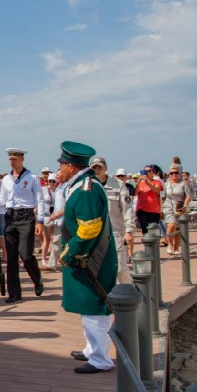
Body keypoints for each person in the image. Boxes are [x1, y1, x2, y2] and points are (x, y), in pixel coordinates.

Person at [56, 142, 118, 374]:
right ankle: (92, 349)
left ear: (71, 167)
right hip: (86, 257)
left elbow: (89, 228)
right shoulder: (82, 185)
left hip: (92, 259)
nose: (58, 170)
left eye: (61, 165)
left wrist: (71, 252)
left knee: (94, 307)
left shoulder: (86, 190)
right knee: (87, 306)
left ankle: (100, 359)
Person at [0, 147, 44, 303]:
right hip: (10, 217)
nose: (12, 161)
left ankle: (36, 279)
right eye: (10, 159)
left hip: (26, 216)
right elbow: (2, 200)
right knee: (11, 258)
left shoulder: (32, 177)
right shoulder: (6, 179)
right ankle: (14, 293)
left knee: (26, 254)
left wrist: (40, 221)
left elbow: (40, 199)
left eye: (15, 159)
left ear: (22, 159)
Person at [96, 159, 132, 283]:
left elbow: (128, 209)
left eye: (100, 167)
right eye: (94, 168)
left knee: (120, 269)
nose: (97, 170)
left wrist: (129, 231)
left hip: (115, 233)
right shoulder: (89, 185)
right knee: (100, 270)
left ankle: (131, 295)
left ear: (105, 168)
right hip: (96, 235)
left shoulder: (118, 185)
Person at [161, 165, 188, 256]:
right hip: (168, 206)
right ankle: (169, 244)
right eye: (171, 173)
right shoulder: (166, 184)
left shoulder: (183, 183)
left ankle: (176, 247)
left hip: (179, 206)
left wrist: (185, 205)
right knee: (171, 225)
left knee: (177, 228)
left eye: (176, 173)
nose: (173, 175)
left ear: (179, 173)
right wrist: (161, 209)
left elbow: (188, 196)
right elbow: (162, 197)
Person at [134, 165, 163, 235]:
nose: (147, 173)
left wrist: (147, 182)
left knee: (154, 230)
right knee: (145, 230)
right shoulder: (140, 183)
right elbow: (135, 193)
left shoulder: (157, 182)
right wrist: (138, 182)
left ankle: (155, 245)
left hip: (154, 210)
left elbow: (156, 190)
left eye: (149, 171)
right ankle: (147, 245)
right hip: (142, 210)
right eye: (145, 171)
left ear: (153, 172)